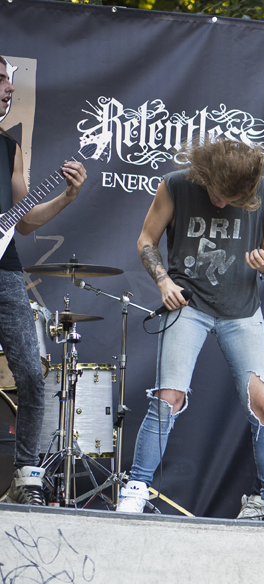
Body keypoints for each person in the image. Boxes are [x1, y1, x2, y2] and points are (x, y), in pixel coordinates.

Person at [117, 138, 264, 523]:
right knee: (169, 397)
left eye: (232, 200)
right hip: (189, 304)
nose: (221, 204)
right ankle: (135, 487)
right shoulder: (176, 184)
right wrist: (164, 282)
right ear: (204, 175)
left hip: (241, 311)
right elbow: (146, 240)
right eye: (218, 195)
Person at [0, 56, 88, 506]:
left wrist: (69, 195)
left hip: (5, 273)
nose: (9, 88)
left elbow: (25, 222)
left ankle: (27, 475)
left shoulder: (10, 147)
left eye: (11, 81)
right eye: (1, 79)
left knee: (33, 376)